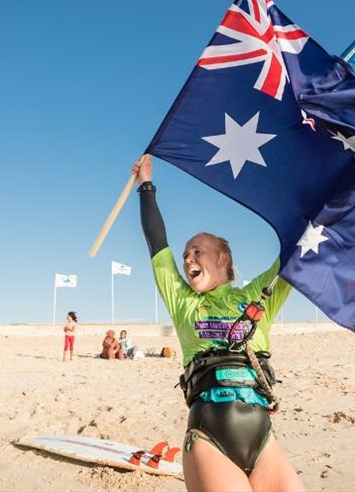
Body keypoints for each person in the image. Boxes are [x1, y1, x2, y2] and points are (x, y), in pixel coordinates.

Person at [133, 155, 305, 492]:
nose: (187, 259)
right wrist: (145, 186)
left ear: (222, 258)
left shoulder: (259, 294)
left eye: (197, 251)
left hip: (263, 438)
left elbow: (299, 252)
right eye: (186, 255)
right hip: (210, 435)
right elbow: (158, 243)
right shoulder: (184, 302)